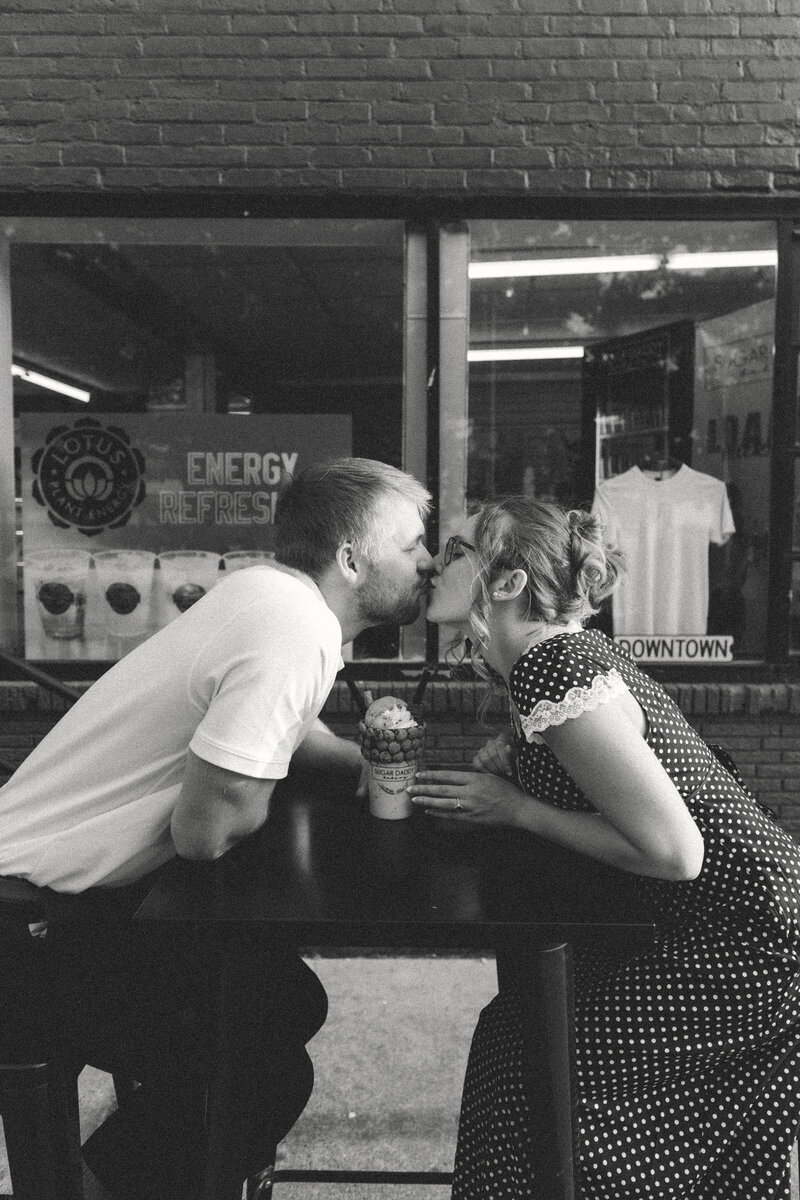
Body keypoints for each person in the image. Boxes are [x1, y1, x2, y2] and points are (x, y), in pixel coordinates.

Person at [0, 456, 433, 1199]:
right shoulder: (291, 626)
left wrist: (364, 762)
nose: (428, 561)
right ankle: (86, 1186)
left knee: (279, 1000)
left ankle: (119, 1177)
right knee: (259, 1065)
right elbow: (206, 833)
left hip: (57, 903)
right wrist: (267, 789)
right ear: (353, 559)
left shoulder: (269, 597)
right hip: (23, 929)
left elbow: (286, 731)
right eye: (413, 544)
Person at [412, 494, 800, 1199]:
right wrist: (521, 766)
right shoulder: (558, 657)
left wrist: (517, 808)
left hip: (749, 940)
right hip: (743, 921)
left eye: (460, 550)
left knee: (526, 1056)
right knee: (526, 1043)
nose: (439, 562)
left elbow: (676, 852)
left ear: (507, 583)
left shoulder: (549, 667)